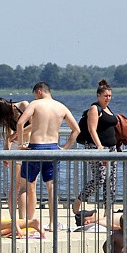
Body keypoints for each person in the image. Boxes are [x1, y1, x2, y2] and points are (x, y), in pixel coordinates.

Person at [16, 82, 80, 232]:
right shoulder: (61, 107)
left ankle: (25, 222)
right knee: (51, 188)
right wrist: (64, 149)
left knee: (26, 187)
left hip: (35, 147)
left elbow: (20, 123)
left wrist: (20, 144)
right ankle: (52, 224)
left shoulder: (35, 104)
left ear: (39, 92)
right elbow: (76, 130)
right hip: (53, 148)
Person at [73, 79, 119, 216]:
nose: (108, 98)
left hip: (112, 148)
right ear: (98, 95)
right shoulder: (95, 108)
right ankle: (79, 200)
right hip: (97, 147)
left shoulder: (108, 109)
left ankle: (108, 210)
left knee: (111, 180)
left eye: (110, 96)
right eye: (105, 96)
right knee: (100, 178)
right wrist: (99, 146)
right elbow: (92, 129)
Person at [0, 97, 30, 227]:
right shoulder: (8, 116)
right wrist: (6, 153)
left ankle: (23, 218)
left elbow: (35, 125)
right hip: (16, 146)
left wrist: (17, 133)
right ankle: (14, 219)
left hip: (28, 144)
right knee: (15, 185)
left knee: (26, 185)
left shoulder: (23, 105)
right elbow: (8, 136)